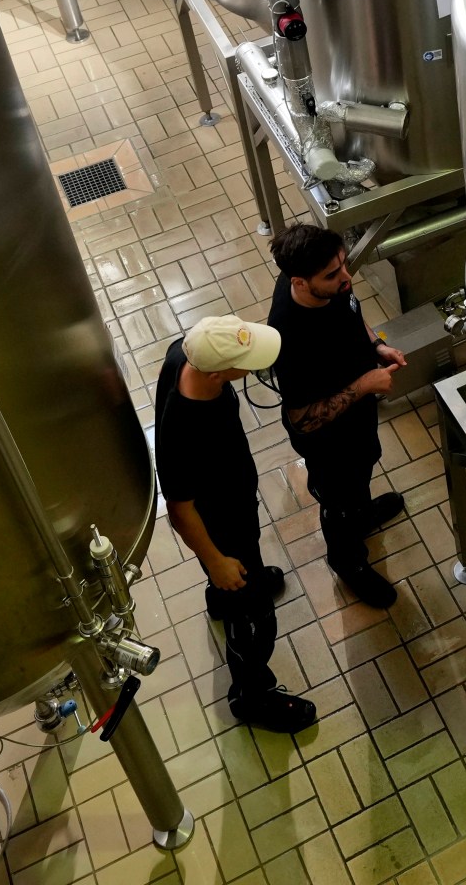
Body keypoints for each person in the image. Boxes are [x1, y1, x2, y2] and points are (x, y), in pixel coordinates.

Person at [152, 314, 318, 733]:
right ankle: (251, 696)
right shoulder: (185, 428)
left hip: (232, 500)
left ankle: (222, 595)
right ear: (216, 373)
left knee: (245, 577)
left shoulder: (185, 353)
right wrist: (218, 563)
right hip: (221, 528)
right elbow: (179, 510)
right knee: (255, 617)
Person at [266, 224, 406, 609]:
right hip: (329, 441)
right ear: (299, 282)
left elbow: (351, 308)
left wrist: (376, 344)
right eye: (333, 274)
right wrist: (365, 385)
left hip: (357, 419)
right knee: (338, 499)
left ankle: (362, 514)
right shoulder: (290, 338)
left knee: (362, 472)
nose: (346, 277)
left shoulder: (328, 283)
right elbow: (302, 419)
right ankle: (348, 562)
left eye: (344, 265)